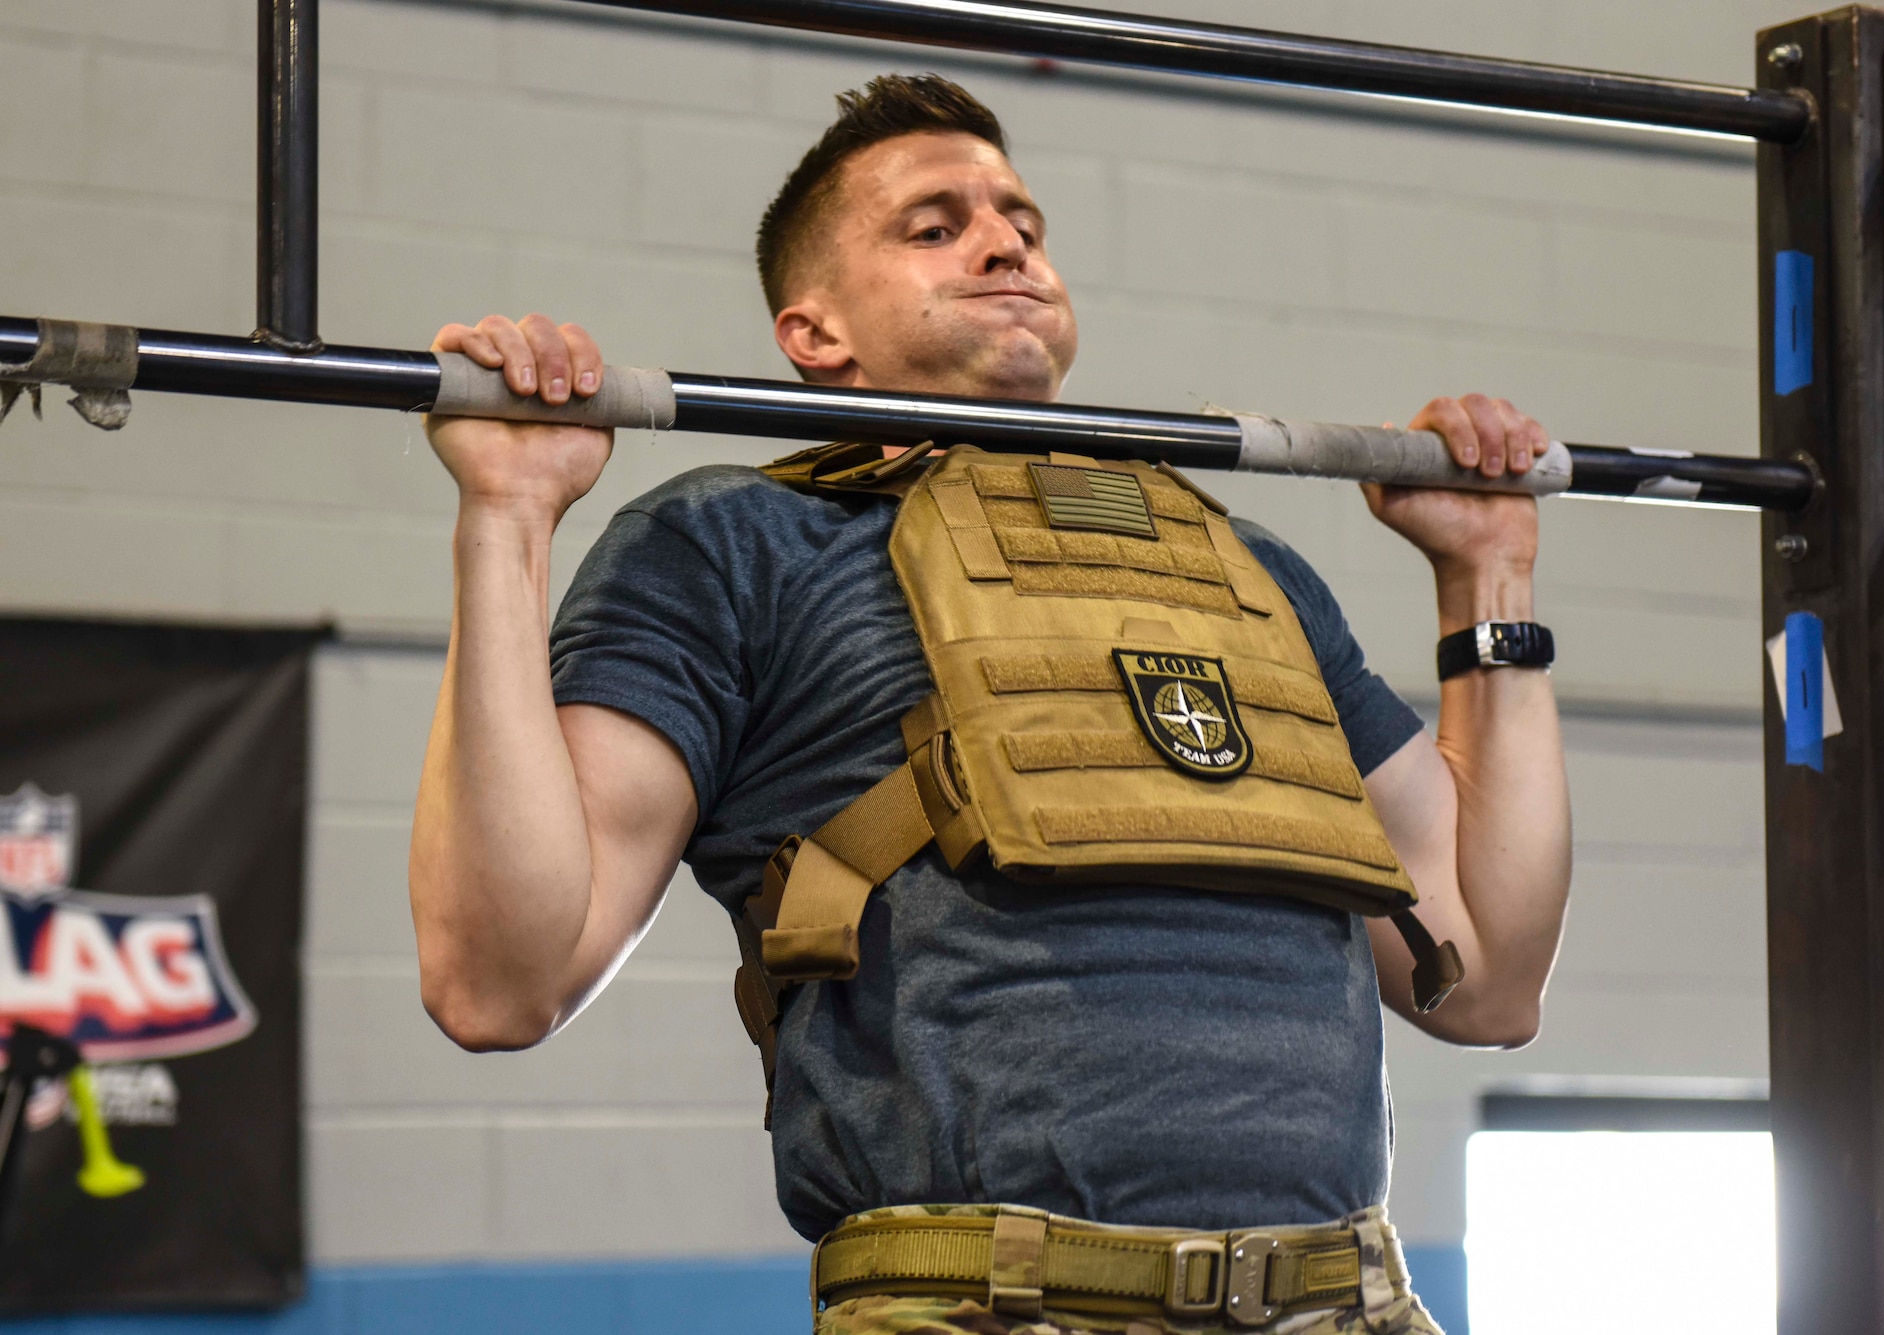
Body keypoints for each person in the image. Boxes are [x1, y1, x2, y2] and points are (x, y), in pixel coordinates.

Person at [409, 75, 1570, 1335]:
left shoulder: (1240, 567)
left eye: (1020, 217)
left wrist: (1486, 574)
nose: (1004, 238)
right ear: (815, 332)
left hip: (1345, 1301)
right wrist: (508, 517)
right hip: (991, 1306)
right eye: (932, 223)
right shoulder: (734, 543)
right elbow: (499, 982)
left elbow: (1489, 981)